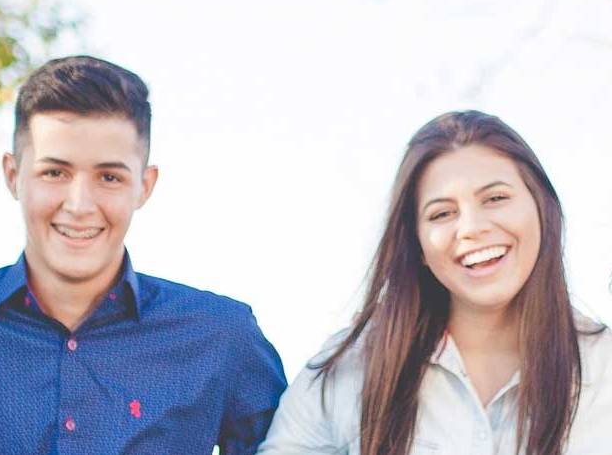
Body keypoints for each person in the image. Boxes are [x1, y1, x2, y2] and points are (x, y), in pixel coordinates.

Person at [0, 55, 286, 454]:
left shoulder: (221, 336)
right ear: (12, 175)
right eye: (55, 172)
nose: (79, 204)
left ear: (144, 185)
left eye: (109, 177)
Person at [257, 111, 612, 455]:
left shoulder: (603, 366)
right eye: (442, 213)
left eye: (496, 198)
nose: (472, 227)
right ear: (418, 244)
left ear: (542, 209)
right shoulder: (351, 368)